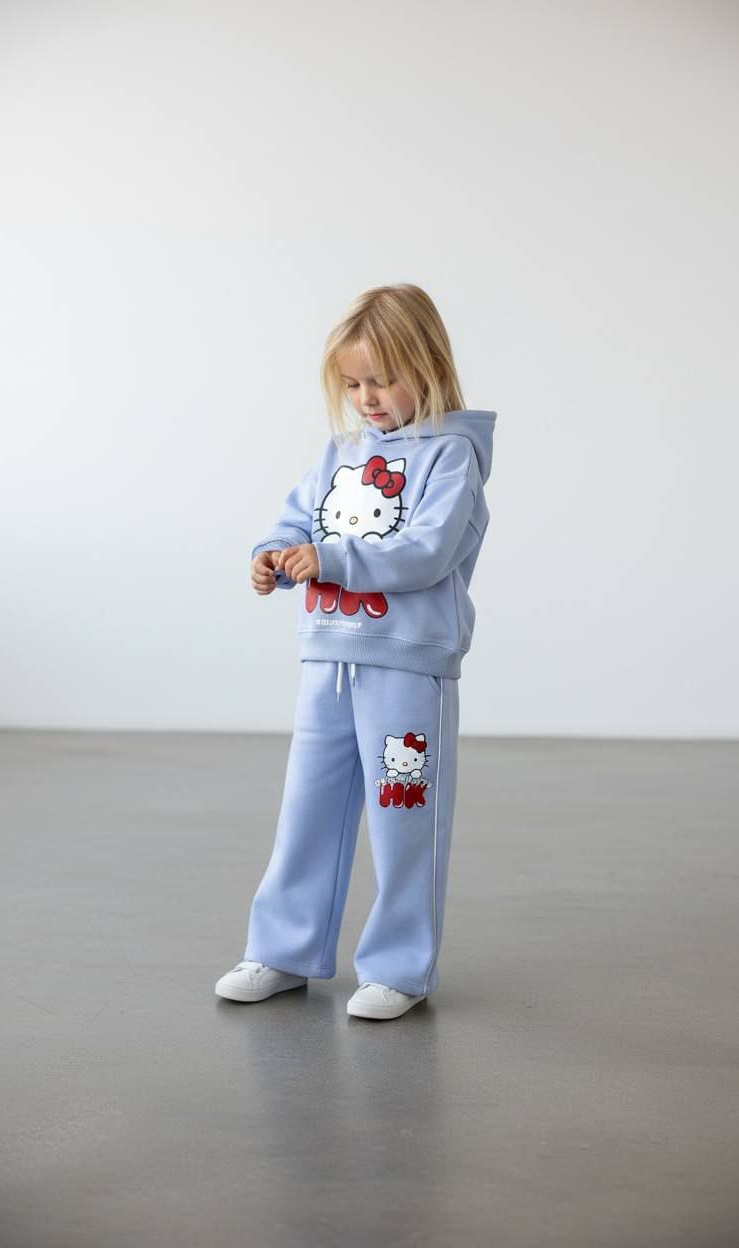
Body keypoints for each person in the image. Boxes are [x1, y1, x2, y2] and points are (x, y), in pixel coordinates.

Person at [215, 282, 496, 1020]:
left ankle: (399, 968)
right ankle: (283, 951)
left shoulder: (453, 457)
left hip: (407, 667)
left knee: (404, 819)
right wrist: (276, 555)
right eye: (352, 384)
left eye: (383, 380)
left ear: (428, 367)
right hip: (328, 662)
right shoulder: (341, 452)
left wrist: (331, 559)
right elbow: (298, 519)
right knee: (306, 808)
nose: (366, 398)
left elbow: (425, 551)